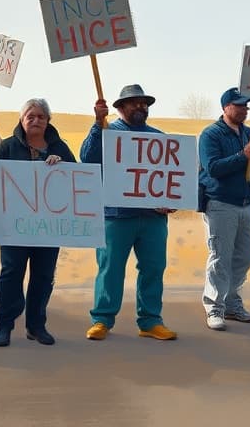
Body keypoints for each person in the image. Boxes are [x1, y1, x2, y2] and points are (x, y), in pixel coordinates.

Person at [80, 85, 178, 341]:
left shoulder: (159, 138)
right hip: (116, 216)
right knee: (110, 268)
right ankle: (102, 319)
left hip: (153, 218)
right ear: (120, 108)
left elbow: (170, 176)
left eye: (143, 103)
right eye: (133, 102)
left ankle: (150, 321)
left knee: (153, 268)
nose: (140, 107)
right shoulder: (107, 133)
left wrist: (172, 199)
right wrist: (97, 123)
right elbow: (88, 159)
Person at [0, 98, 75, 348]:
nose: (36, 120)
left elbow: (78, 180)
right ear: (21, 119)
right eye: (31, 116)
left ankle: (36, 325)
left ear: (48, 120)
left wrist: (59, 165)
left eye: (41, 116)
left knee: (43, 276)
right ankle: (4, 326)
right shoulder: (6, 147)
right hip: (14, 228)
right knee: (10, 274)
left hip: (48, 229)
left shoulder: (60, 147)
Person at [199, 87, 250, 331]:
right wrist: (244, 155)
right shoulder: (211, 135)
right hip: (220, 204)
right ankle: (214, 307)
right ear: (226, 107)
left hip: (248, 204)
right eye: (239, 105)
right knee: (220, 257)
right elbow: (213, 168)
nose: (245, 109)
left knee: (248, 254)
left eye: (246, 105)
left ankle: (231, 302)